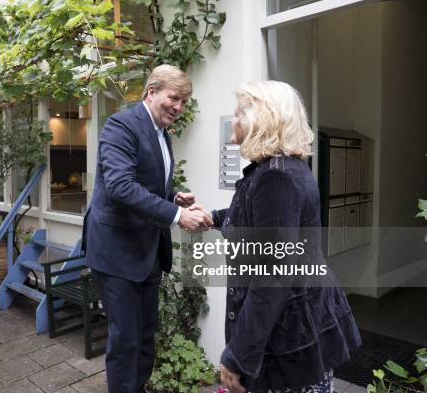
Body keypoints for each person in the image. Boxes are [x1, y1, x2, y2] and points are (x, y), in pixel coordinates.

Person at [208, 81, 361, 393]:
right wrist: (211, 217)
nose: (233, 119)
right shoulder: (282, 169)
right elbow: (254, 218)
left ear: (261, 120)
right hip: (296, 323)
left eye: (239, 113)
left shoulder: (275, 177)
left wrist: (237, 355)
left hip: (291, 335)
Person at [82, 64, 212, 392]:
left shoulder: (161, 133)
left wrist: (173, 197)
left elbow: (144, 183)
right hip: (117, 252)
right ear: (151, 92)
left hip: (147, 251)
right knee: (125, 339)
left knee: (144, 335)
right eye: (174, 98)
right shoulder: (121, 125)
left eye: (183, 101)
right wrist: (175, 215)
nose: (179, 107)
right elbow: (120, 187)